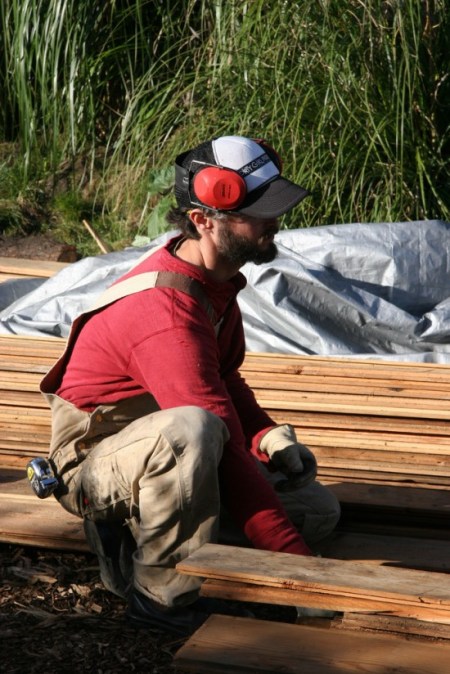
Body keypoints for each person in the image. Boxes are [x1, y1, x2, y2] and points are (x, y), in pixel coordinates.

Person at [40, 134, 340, 635]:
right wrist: (301, 577)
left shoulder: (215, 277)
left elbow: (223, 378)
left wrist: (264, 436)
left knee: (319, 513)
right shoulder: (165, 313)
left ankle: (158, 529)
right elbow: (213, 434)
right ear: (204, 220)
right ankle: (159, 596)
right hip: (95, 466)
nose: (274, 221)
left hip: (163, 445)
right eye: (258, 212)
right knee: (193, 431)